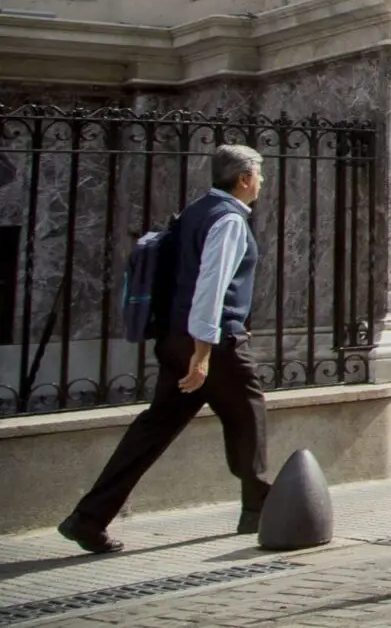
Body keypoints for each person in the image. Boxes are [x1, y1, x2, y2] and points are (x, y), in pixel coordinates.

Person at [58, 145, 270, 553]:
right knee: (249, 414)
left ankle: (87, 519)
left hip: (173, 338)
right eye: (259, 175)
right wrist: (202, 354)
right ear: (244, 178)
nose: (261, 182)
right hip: (212, 343)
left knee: (154, 429)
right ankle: (259, 505)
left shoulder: (194, 212)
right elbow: (210, 288)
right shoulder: (228, 220)